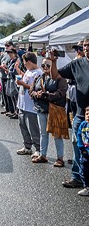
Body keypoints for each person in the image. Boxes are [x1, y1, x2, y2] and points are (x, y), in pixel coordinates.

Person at [49, 38, 89, 189]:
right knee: (78, 145)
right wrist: (53, 61)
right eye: (85, 45)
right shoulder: (77, 64)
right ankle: (77, 177)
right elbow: (55, 76)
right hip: (80, 114)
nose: (86, 48)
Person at [29, 59, 68, 166]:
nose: (45, 67)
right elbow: (31, 91)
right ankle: (43, 155)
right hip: (41, 109)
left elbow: (60, 93)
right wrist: (36, 94)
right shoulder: (39, 77)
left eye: (48, 65)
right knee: (43, 133)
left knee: (57, 135)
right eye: (43, 65)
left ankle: (60, 158)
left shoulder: (60, 79)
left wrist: (45, 95)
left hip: (55, 110)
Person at [15, 52, 42, 156]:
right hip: (22, 104)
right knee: (23, 126)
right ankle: (27, 146)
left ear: (30, 62)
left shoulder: (38, 73)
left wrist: (22, 84)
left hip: (31, 106)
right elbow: (24, 77)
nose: (24, 65)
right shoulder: (29, 71)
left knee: (33, 128)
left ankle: (38, 149)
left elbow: (34, 87)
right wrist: (18, 69)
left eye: (25, 63)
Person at [77, 106, 89, 196]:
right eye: (87, 114)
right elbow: (79, 136)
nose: (88, 116)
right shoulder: (83, 124)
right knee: (83, 171)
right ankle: (87, 187)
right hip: (84, 153)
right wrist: (81, 148)